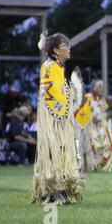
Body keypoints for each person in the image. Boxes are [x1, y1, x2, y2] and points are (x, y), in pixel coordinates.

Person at [32, 31, 84, 204]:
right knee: (54, 152)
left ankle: (58, 190)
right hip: (54, 120)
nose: (69, 49)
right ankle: (53, 192)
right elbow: (51, 95)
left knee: (60, 152)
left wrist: (72, 91)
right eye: (65, 47)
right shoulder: (49, 67)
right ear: (55, 51)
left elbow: (61, 92)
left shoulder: (58, 68)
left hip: (59, 120)